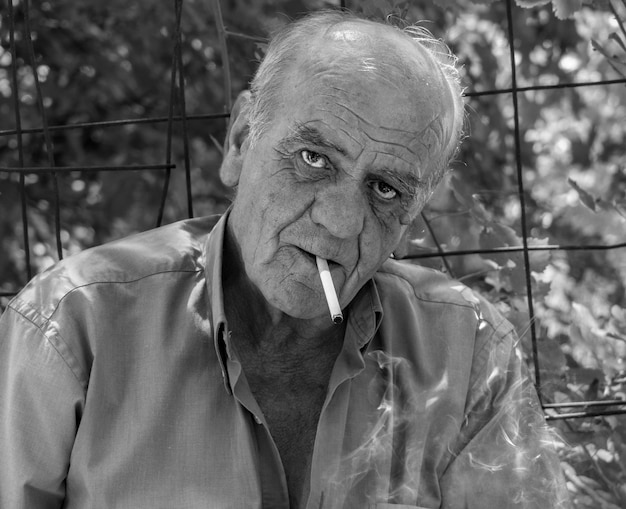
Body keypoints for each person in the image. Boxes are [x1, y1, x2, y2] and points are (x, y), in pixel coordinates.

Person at [0, 10, 570, 509]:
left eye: (386, 189)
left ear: (416, 211)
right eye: (313, 158)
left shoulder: (465, 352)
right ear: (243, 139)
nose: (341, 221)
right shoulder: (73, 329)